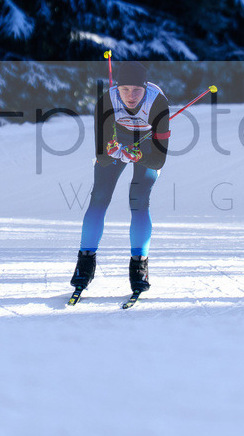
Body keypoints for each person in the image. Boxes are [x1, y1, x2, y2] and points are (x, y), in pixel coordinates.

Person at [70, 61, 170, 296]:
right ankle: (85, 264)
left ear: (145, 88)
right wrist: (114, 151)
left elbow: (158, 160)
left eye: (137, 90)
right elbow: (102, 155)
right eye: (125, 89)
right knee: (99, 197)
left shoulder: (158, 104)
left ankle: (139, 266)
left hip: (147, 144)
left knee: (138, 200)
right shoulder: (107, 100)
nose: (131, 96)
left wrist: (138, 154)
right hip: (119, 137)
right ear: (117, 88)